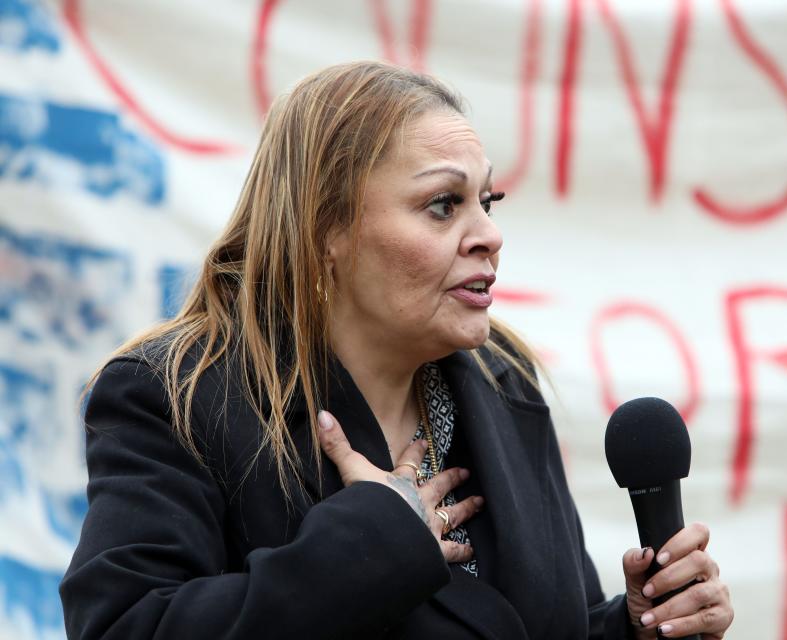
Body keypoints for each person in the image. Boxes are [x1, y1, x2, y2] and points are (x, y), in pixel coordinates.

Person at [60, 61, 733, 639]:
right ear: (328, 227)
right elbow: (125, 626)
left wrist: (636, 626)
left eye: (487, 202)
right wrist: (372, 541)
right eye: (443, 205)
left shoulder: (504, 383)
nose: (488, 237)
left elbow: (550, 621)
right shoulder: (181, 393)